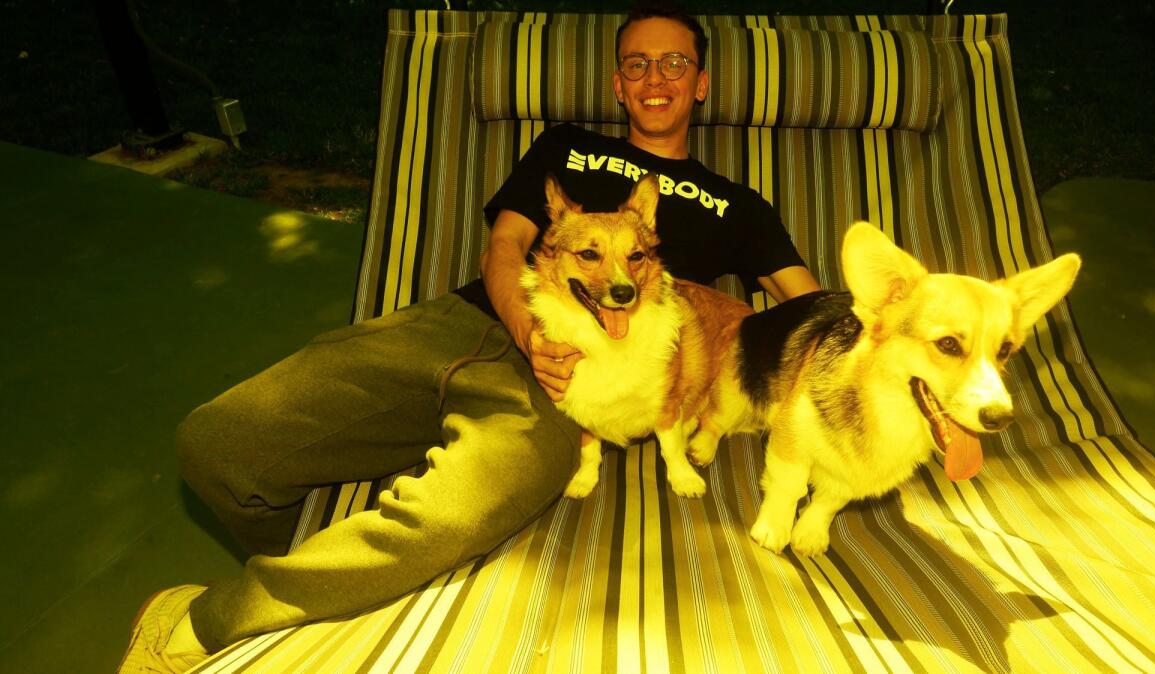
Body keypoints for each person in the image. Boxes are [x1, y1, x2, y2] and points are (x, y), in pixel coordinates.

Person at [118, 3, 821, 672]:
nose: (654, 78)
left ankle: (211, 623)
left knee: (452, 514)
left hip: (578, 384)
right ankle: (320, 580)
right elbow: (504, 248)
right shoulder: (567, 149)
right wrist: (525, 329)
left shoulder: (737, 203)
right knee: (216, 445)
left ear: (701, 83)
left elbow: (810, 311)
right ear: (617, 83)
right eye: (636, 64)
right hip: (466, 321)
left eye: (674, 63)